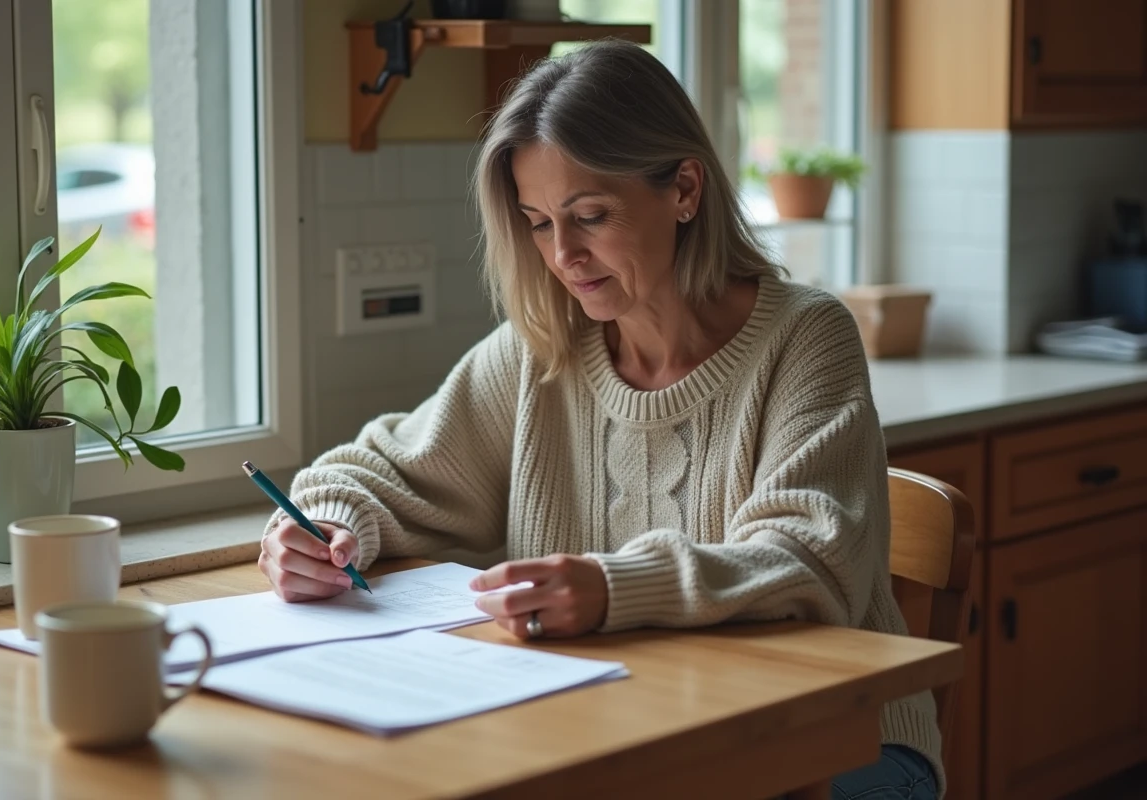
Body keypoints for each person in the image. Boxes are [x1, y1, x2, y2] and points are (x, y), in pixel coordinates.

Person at [258, 40, 942, 799]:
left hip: (837, 743)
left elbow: (809, 563)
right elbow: (383, 469)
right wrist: (324, 525)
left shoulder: (806, 336)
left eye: (590, 216)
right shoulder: (543, 349)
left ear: (685, 190)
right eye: (538, 223)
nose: (564, 256)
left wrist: (616, 589)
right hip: (627, 732)